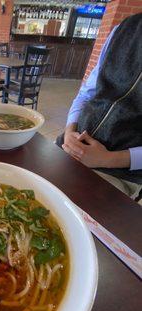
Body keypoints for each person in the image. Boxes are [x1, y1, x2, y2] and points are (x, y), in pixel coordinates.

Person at [56, 13, 142, 201]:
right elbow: (86, 92)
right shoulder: (123, 29)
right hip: (72, 144)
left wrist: (106, 159)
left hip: (118, 171)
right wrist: (70, 130)